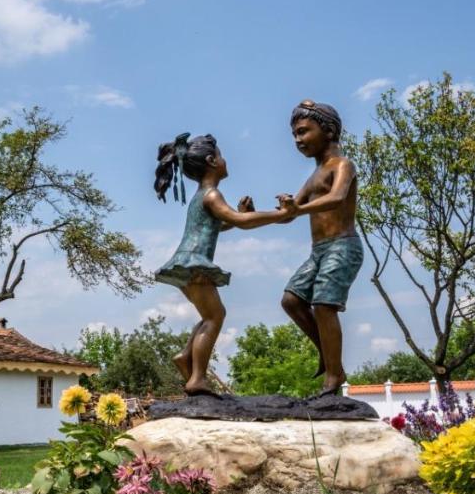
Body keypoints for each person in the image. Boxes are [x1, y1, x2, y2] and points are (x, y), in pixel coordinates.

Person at [154, 133, 296, 396]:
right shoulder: (211, 195)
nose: (225, 160)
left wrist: (243, 214)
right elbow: (239, 221)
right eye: (221, 156)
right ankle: (196, 377)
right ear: (212, 161)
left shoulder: (202, 196)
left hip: (186, 264)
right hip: (194, 265)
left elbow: (222, 225)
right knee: (215, 317)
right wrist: (280, 215)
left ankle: (186, 357)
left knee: (210, 315)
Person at [278, 100, 363, 397]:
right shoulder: (313, 176)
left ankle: (333, 374)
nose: (298, 140)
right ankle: (329, 359)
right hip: (319, 252)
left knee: (324, 304)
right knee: (291, 300)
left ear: (327, 130)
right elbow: (290, 212)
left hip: (343, 246)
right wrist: (252, 212)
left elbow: (337, 197)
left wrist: (296, 209)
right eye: (294, 135)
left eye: (303, 131)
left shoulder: (343, 165)